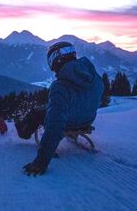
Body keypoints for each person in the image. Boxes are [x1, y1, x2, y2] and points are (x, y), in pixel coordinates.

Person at [16, 41, 103, 176]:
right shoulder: (96, 78)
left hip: (69, 121)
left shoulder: (60, 86)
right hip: (87, 120)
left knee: (38, 111)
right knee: (48, 109)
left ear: (56, 59)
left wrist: (41, 162)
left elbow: (55, 125)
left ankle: (23, 132)